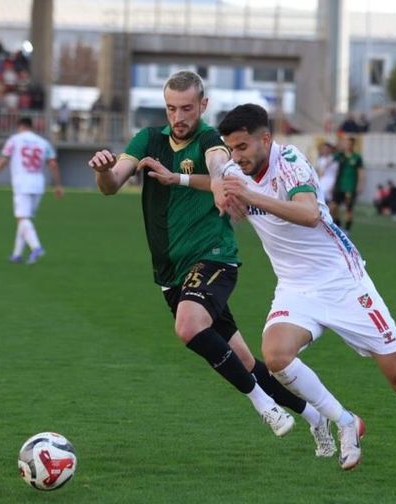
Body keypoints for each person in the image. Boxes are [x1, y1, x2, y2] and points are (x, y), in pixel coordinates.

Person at [216, 103, 396, 486]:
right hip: (296, 287)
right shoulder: (242, 168)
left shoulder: (290, 162)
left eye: (242, 148)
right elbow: (223, 175)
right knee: (276, 356)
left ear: (265, 139)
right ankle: (344, 421)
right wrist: (184, 180)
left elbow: (309, 214)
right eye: (231, 149)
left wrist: (248, 195)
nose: (236, 157)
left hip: (342, 281)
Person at [86, 71, 332, 450]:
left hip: (213, 258)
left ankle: (265, 406)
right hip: (172, 274)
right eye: (171, 108)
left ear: (203, 105)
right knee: (245, 362)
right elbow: (113, 183)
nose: (178, 116)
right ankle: (318, 417)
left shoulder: (211, 140)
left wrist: (221, 179)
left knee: (188, 326)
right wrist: (104, 171)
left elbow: (219, 163)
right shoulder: (148, 139)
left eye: (186, 108)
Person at [0, 117, 64, 264]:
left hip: (22, 182)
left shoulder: (14, 140)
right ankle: (17, 254)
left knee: (22, 218)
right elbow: (53, 164)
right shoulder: (43, 142)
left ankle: (36, 247)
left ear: (20, 126)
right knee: (25, 219)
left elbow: (3, 160)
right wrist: (58, 185)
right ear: (31, 127)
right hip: (38, 183)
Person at [330, 137, 364, 232]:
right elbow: (331, 161)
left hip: (350, 186)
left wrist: (360, 185)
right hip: (339, 185)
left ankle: (347, 230)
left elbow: (360, 172)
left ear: (353, 145)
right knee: (333, 207)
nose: (347, 145)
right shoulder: (340, 155)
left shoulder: (357, 157)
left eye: (349, 143)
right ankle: (339, 226)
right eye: (346, 143)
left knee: (348, 208)